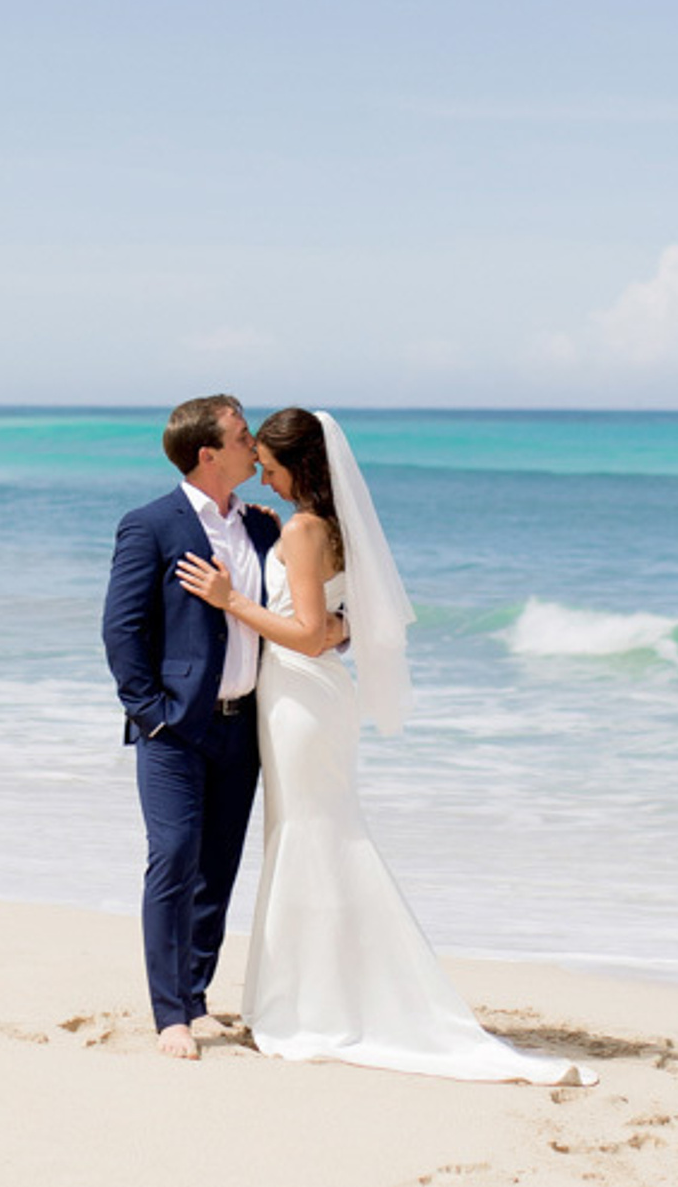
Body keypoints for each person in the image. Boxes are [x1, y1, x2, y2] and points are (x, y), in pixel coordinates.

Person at [177, 406, 595, 1086]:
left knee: (313, 836)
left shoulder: (306, 529)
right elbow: (340, 623)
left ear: (301, 467)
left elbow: (309, 632)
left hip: (302, 695)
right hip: (312, 696)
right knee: (313, 835)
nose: (267, 478)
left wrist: (229, 600)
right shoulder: (329, 527)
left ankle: (315, 1002)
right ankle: (309, 992)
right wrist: (330, 626)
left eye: (275, 468)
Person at [102, 395, 345, 1061]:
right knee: (174, 858)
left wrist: (341, 634)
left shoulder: (264, 529)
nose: (252, 446)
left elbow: (307, 610)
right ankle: (169, 1014)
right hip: (175, 730)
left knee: (217, 868)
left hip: (244, 729)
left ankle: (198, 996)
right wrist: (150, 715)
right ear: (209, 454)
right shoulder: (150, 524)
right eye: (241, 437)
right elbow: (122, 630)